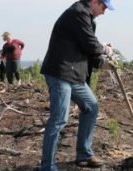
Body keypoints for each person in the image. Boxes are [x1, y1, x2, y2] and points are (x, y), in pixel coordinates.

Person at [39, 0, 115, 170]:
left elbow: (88, 50)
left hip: (74, 75)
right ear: (95, 2)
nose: (104, 12)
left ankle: (84, 155)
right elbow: (91, 44)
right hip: (60, 73)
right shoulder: (78, 12)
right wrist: (104, 49)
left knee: (91, 106)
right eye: (103, 7)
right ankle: (48, 166)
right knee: (59, 119)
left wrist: (102, 62)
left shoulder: (87, 19)